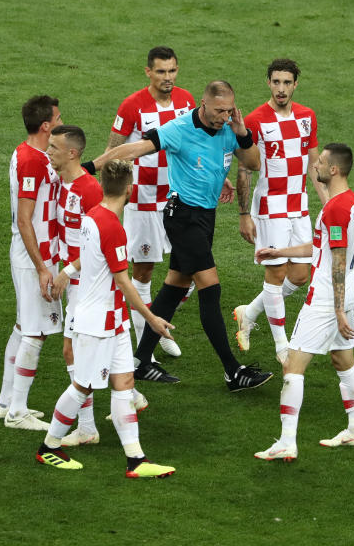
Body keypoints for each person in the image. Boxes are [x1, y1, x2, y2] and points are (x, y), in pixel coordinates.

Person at [95, 80, 273, 391]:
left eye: (229, 110)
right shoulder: (179, 128)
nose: (223, 116)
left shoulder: (231, 128)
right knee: (210, 288)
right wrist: (92, 165)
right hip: (183, 217)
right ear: (203, 105)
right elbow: (136, 147)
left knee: (174, 287)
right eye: (218, 110)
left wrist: (242, 131)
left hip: (205, 217)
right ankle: (233, 371)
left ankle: (141, 361)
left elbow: (254, 162)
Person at [35, 160, 176, 478]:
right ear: (130, 189)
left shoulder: (93, 217)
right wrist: (152, 318)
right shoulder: (112, 226)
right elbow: (125, 282)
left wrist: (66, 272)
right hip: (98, 322)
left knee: (124, 384)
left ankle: (136, 460)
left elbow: (87, 256)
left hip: (112, 321)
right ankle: (49, 447)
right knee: (82, 386)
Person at [253, 144, 354, 461]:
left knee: (292, 366)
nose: (314, 163)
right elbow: (323, 249)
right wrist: (279, 253)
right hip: (345, 292)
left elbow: (338, 261)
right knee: (343, 361)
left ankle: (287, 441)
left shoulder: (335, 210)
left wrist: (338, 310)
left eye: (321, 161)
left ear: (334, 170)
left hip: (328, 299)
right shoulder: (352, 203)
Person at [234, 58, 327, 364]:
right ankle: (281, 346)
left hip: (298, 205)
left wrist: (327, 202)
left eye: (287, 82)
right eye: (276, 82)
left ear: (295, 85)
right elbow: (246, 169)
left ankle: (248, 313)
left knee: (300, 275)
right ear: (268, 83)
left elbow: (315, 165)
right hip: (270, 206)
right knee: (275, 274)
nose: (281, 88)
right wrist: (244, 214)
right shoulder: (256, 120)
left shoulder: (307, 117)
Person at [106, 46, 196, 359]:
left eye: (172, 70)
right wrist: (111, 195)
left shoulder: (187, 100)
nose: (167, 77)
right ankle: (147, 346)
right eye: (161, 71)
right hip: (142, 202)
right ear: (148, 72)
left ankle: (162, 324)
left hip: (179, 197)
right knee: (143, 273)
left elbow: (194, 142)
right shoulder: (132, 105)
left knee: (190, 267)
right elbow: (113, 151)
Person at [0, 95, 64, 430]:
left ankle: (6, 401)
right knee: (35, 334)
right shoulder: (33, 161)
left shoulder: (27, 153)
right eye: (58, 118)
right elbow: (25, 219)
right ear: (46, 125)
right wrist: (41, 268)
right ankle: (16, 411)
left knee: (24, 328)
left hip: (33, 252)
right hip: (33, 256)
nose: (62, 123)